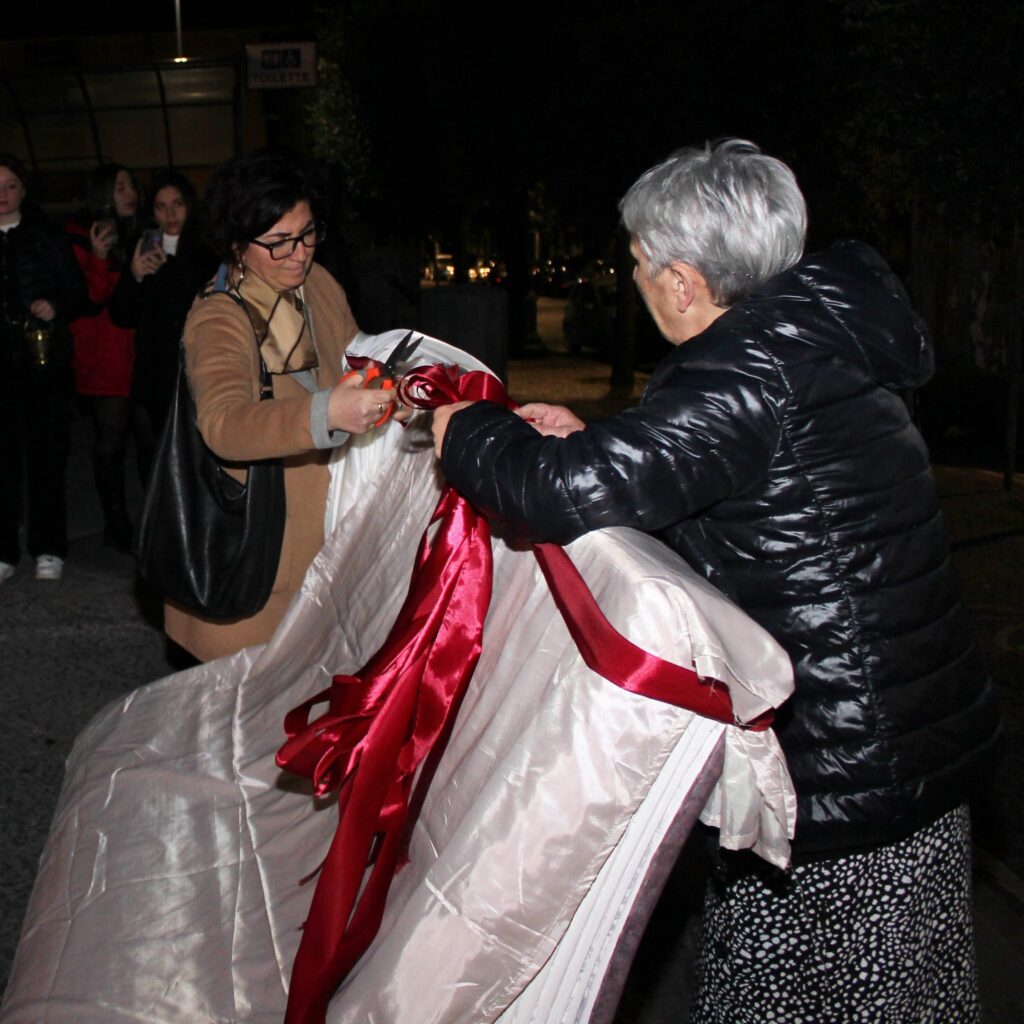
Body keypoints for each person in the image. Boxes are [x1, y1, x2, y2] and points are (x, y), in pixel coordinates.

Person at [432, 139, 1001, 1022]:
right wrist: (598, 438)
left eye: (638, 264)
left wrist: (469, 431)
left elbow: (549, 492)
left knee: (826, 997)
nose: (635, 279)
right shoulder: (811, 338)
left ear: (685, 282)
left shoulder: (742, 373)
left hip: (846, 780)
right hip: (902, 747)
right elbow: (745, 496)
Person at [163, 149, 404, 663]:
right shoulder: (218, 318)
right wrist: (326, 414)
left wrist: (392, 390)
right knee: (236, 729)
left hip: (318, 548)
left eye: (308, 232)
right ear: (236, 244)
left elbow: (352, 355)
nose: (299, 253)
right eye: (278, 242)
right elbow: (225, 424)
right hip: (252, 559)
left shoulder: (316, 284)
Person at [0, 153, 87, 584]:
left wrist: (54, 306)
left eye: (10, 185)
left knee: (47, 457)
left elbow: (77, 291)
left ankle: (49, 546)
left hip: (43, 361)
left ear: (24, 189)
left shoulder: (46, 235)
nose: (2, 195)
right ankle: (3, 549)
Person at [109, 169, 217, 482]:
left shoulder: (207, 251)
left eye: (177, 204)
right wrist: (135, 276)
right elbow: (121, 315)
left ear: (189, 206)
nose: (169, 214)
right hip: (153, 371)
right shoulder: (140, 247)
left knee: (196, 456)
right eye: (161, 206)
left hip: (194, 370)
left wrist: (168, 271)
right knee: (153, 454)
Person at [67, 163, 141, 552]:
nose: (129, 193)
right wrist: (98, 258)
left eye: (130, 185)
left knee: (141, 438)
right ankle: (117, 524)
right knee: (110, 442)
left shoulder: (137, 233)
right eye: (119, 187)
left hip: (136, 352)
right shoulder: (80, 239)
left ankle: (146, 520)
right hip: (104, 355)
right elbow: (87, 300)